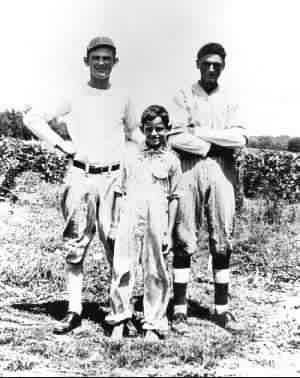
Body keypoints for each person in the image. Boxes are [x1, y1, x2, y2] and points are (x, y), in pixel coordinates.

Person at [24, 36, 142, 334]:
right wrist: (62, 144)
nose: (101, 63)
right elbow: (33, 119)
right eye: (96, 58)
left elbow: (134, 132)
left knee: (116, 245)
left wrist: (157, 149)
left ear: (115, 62)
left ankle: (120, 312)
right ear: (86, 61)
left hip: (113, 179)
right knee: (76, 247)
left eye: (107, 58)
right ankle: (74, 310)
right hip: (80, 177)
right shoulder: (73, 94)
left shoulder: (124, 97)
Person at [168, 42, 247, 333]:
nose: (211, 68)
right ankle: (179, 308)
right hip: (189, 167)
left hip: (222, 168)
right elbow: (174, 136)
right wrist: (212, 142)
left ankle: (222, 308)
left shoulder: (230, 98)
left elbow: (239, 138)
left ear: (223, 66)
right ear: (198, 63)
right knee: (184, 233)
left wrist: (200, 132)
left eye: (217, 64)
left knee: (222, 235)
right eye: (206, 63)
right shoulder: (183, 95)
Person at [105, 105, 182, 341]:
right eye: (149, 129)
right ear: (142, 130)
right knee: (123, 266)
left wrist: (169, 233)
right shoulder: (130, 157)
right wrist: (116, 224)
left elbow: (174, 199)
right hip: (130, 215)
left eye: (159, 129)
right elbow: (119, 192)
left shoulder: (172, 161)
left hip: (157, 219)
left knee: (155, 271)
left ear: (167, 130)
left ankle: (153, 323)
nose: (154, 134)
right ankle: (120, 319)